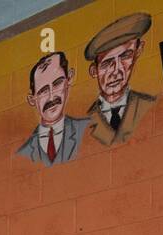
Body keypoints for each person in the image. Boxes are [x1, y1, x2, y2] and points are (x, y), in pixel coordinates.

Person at [84, 13, 155, 146]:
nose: (116, 71)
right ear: (94, 71)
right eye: (107, 63)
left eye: (125, 57)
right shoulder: (83, 124)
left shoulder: (149, 106)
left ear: (138, 52)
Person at [17, 52, 92, 166]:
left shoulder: (88, 130)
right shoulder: (23, 154)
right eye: (43, 91)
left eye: (57, 83)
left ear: (69, 79)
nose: (52, 97)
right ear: (32, 99)